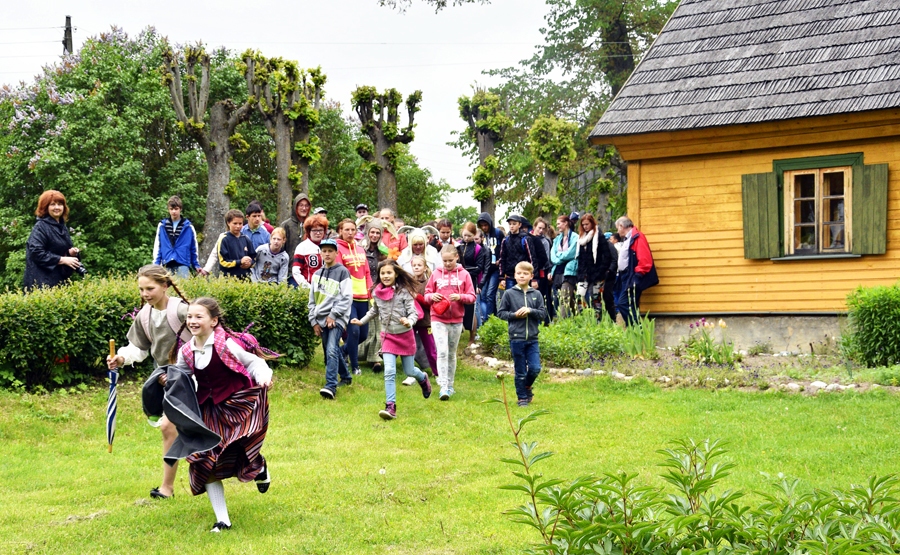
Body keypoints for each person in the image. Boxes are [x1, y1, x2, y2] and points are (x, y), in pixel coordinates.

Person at [168, 297, 274, 533]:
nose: (192, 321)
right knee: (205, 460)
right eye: (189, 317)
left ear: (214, 321)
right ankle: (223, 521)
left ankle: (260, 467)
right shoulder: (185, 351)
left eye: (199, 316)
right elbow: (179, 380)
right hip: (207, 411)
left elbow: (254, 362)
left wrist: (263, 377)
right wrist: (166, 383)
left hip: (237, 405)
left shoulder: (226, 344)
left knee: (239, 449)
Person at [107, 264, 192, 499]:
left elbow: (209, 339)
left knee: (202, 430)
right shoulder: (144, 315)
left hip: (195, 378)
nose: (145, 294)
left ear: (165, 286)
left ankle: (246, 466)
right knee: (168, 428)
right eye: (141, 289)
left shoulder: (183, 311)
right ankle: (167, 488)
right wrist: (121, 357)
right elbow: (138, 348)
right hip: (167, 381)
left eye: (150, 288)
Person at [352, 259, 432, 419]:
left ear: (396, 274)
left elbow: (414, 313)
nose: (386, 276)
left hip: (405, 336)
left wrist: (409, 321)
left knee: (409, 371)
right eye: (383, 273)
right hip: (388, 336)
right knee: (389, 371)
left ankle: (423, 378)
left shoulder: (404, 292)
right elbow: (374, 311)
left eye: (389, 273)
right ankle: (390, 407)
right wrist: (361, 321)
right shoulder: (376, 292)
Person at [425, 244, 476, 400]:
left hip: (456, 319)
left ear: (456, 258)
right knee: (442, 351)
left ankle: (451, 384)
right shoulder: (435, 274)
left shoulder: (464, 275)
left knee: (451, 353)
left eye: (450, 261)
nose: (447, 264)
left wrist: (460, 297)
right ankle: (443, 387)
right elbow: (426, 295)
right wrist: (432, 296)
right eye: (444, 261)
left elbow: (472, 296)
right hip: (438, 318)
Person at [308, 239, 354, 399]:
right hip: (321, 319)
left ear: (336, 253)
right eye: (324, 251)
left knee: (332, 350)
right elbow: (312, 301)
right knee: (330, 350)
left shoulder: (342, 272)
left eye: (330, 251)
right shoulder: (316, 275)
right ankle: (346, 377)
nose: (327, 254)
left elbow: (347, 298)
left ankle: (330, 386)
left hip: (337, 318)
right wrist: (313, 320)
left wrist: (333, 315)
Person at [497, 261, 546, 407]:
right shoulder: (509, 294)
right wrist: (514, 315)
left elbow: (543, 313)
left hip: (532, 338)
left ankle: (526, 386)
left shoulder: (536, 294)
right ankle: (522, 398)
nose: (522, 276)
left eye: (525, 273)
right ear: (515, 275)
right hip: (516, 338)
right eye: (519, 273)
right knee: (520, 371)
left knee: (535, 368)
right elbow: (501, 313)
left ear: (531, 276)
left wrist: (531, 311)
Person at [23, 189, 82, 290]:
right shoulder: (41, 226)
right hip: (41, 283)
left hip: (58, 282)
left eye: (60, 204)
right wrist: (62, 259)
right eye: (52, 204)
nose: (57, 207)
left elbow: (58, 251)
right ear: (45, 207)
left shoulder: (62, 227)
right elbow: (36, 252)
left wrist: (70, 253)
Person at [336, 219, 373, 375]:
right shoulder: (337, 249)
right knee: (354, 332)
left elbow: (366, 272)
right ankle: (355, 366)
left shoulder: (360, 249)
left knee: (364, 334)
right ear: (341, 231)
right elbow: (339, 272)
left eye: (353, 230)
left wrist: (370, 292)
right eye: (347, 230)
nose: (350, 233)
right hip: (348, 297)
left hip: (363, 296)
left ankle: (341, 351)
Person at [614, 216, 658, 326]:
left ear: (622, 226)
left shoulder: (637, 237)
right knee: (631, 305)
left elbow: (645, 259)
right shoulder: (629, 238)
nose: (617, 231)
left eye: (617, 228)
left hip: (632, 276)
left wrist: (637, 276)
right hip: (626, 276)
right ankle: (635, 333)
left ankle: (637, 329)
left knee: (623, 303)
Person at [357, 216, 387, 373]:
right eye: (372, 232)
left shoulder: (384, 251)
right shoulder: (359, 248)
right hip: (363, 289)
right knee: (367, 326)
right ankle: (361, 354)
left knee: (379, 326)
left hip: (379, 290)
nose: (374, 235)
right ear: (367, 233)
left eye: (377, 233)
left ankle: (376, 359)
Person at [152, 195, 201, 279]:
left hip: (183, 262)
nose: (174, 211)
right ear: (168, 209)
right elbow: (158, 246)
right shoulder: (162, 226)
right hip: (167, 262)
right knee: (168, 289)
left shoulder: (188, 227)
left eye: (176, 209)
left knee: (182, 288)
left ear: (180, 209)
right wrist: (156, 264)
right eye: (171, 209)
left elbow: (193, 248)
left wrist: (196, 265)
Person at [457, 222, 489, 346]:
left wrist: (467, 273)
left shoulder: (477, 249)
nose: (466, 238)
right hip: (458, 279)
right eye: (465, 235)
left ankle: (472, 336)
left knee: (471, 308)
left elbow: (480, 266)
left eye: (469, 236)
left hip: (471, 279)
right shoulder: (458, 246)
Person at [498, 214, 547, 292]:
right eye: (510, 224)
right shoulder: (505, 240)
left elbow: (532, 258)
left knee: (524, 299)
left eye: (514, 224)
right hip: (510, 276)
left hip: (524, 275)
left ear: (519, 225)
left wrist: (534, 278)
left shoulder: (526, 239)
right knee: (510, 299)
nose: (511, 226)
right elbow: (502, 259)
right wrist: (501, 277)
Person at [409, 255, 438, 380]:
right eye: (414, 265)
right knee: (409, 347)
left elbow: (429, 303)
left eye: (419, 265)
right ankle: (411, 372)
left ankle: (437, 373)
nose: (416, 267)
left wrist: (416, 296)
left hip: (425, 321)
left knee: (430, 348)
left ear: (425, 267)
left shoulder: (429, 283)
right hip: (411, 319)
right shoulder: (409, 282)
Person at [576, 213, 612, 314]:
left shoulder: (599, 237)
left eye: (587, 224)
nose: (585, 226)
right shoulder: (581, 239)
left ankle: (598, 320)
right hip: (584, 273)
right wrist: (580, 273)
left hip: (597, 273)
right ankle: (583, 318)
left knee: (596, 298)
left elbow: (607, 256)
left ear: (592, 223)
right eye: (583, 224)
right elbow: (581, 258)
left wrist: (601, 271)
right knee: (579, 297)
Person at [476, 212, 505, 320]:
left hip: (495, 269)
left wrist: (500, 260)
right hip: (485, 269)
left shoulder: (498, 233)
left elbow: (504, 248)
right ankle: (491, 317)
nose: (484, 227)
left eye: (486, 225)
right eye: (482, 225)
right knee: (483, 295)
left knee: (490, 294)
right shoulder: (481, 235)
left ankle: (489, 320)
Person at [550, 214, 579, 319]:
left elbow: (571, 253)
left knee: (564, 298)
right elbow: (552, 255)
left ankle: (562, 323)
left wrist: (559, 257)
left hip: (569, 272)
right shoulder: (557, 239)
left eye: (559, 223)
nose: (557, 226)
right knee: (564, 299)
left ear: (566, 223)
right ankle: (578, 319)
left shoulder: (575, 237)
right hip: (557, 271)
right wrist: (560, 258)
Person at [291, 214, 328, 289]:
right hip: (308, 288)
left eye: (320, 230)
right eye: (314, 230)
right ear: (308, 232)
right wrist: (307, 287)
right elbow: (296, 271)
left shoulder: (328, 246)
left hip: (326, 290)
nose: (318, 233)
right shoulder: (302, 247)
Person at [216, 209, 255, 280]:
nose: (238, 226)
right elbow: (223, 262)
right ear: (228, 223)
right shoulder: (224, 239)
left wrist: (250, 263)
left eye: (240, 224)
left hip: (245, 278)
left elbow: (253, 257)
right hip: (228, 279)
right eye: (235, 223)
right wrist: (239, 262)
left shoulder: (245, 238)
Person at [531, 217, 556, 323]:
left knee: (543, 297)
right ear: (534, 227)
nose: (540, 230)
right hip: (529, 272)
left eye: (543, 229)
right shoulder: (528, 238)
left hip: (542, 271)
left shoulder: (545, 241)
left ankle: (544, 320)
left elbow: (546, 259)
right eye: (539, 228)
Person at [281, 193, 311, 259]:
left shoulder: (311, 225)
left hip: (307, 266)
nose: (304, 208)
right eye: (301, 205)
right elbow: (280, 248)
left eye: (306, 206)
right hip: (289, 266)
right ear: (295, 207)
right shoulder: (286, 225)